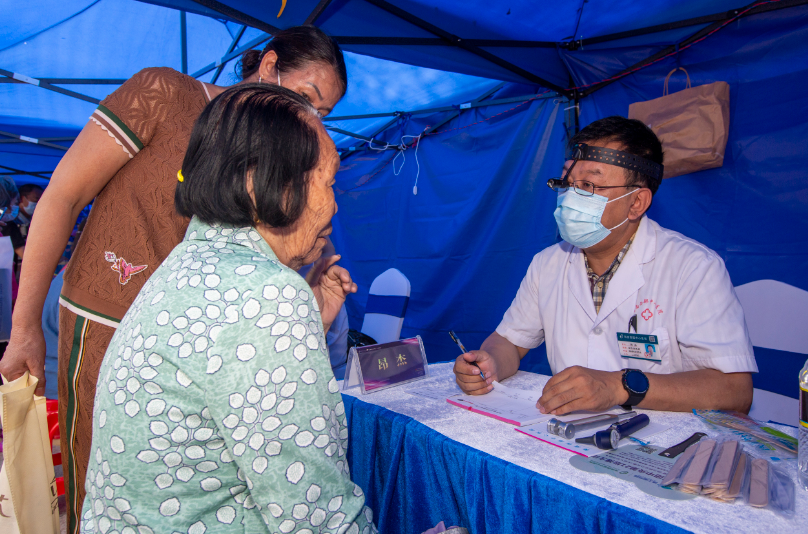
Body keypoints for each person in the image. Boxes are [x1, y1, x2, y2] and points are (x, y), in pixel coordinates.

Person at [0, 25, 348, 534]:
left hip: (200, 345)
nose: (309, 119)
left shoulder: (267, 151)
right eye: (306, 98)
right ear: (269, 66)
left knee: (197, 484)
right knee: (101, 483)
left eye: (323, 114)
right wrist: (25, 322)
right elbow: (62, 195)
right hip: (111, 320)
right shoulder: (164, 94)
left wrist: (299, 275)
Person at [81, 84, 377, 533]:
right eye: (330, 181)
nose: (334, 203)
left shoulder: (186, 265)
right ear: (266, 183)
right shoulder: (266, 294)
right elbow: (316, 513)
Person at [453, 116, 757, 415]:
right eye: (568, 182)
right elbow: (510, 340)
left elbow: (733, 391)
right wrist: (490, 361)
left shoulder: (694, 268)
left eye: (588, 185)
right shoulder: (547, 263)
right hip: (566, 435)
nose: (570, 196)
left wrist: (618, 386)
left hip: (662, 447)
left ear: (636, 203)